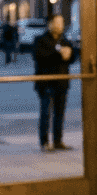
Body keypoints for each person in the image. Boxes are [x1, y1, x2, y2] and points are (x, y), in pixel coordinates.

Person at [33, 15, 74, 151]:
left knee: (59, 113)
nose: (60, 25)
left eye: (62, 22)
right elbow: (40, 57)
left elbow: (73, 57)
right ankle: (44, 142)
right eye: (57, 22)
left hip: (62, 83)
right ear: (50, 24)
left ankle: (58, 141)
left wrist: (70, 53)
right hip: (46, 83)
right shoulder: (40, 40)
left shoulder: (65, 40)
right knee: (45, 113)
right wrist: (59, 54)